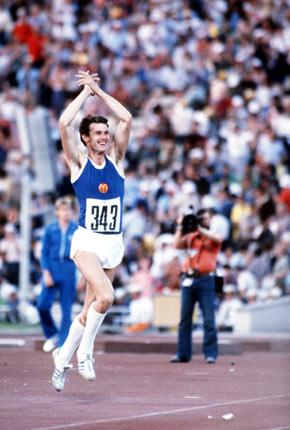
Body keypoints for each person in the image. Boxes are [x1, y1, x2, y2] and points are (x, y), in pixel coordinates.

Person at [51, 70, 132, 391]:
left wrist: (99, 90)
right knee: (107, 297)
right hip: (87, 242)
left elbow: (125, 118)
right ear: (86, 138)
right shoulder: (78, 163)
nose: (103, 136)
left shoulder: (117, 159)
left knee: (88, 312)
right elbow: (64, 124)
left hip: (113, 243)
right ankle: (85, 353)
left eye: (105, 132)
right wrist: (85, 94)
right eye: (97, 132)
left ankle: (60, 360)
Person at [170, 208, 224, 364]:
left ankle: (210, 354)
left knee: (208, 318)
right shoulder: (190, 237)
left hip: (206, 279)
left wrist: (199, 229)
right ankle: (183, 354)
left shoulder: (211, 236)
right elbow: (176, 244)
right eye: (204, 218)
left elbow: (217, 239)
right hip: (188, 279)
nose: (206, 221)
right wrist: (181, 226)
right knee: (185, 319)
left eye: (207, 219)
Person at [36, 197, 78, 352]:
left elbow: (81, 253)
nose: (66, 213)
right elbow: (44, 253)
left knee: (66, 308)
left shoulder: (76, 229)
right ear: (57, 212)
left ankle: (62, 344)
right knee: (42, 304)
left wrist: (81, 275)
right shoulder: (50, 229)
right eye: (63, 210)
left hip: (69, 268)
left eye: (68, 210)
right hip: (52, 267)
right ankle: (51, 334)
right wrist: (46, 273)